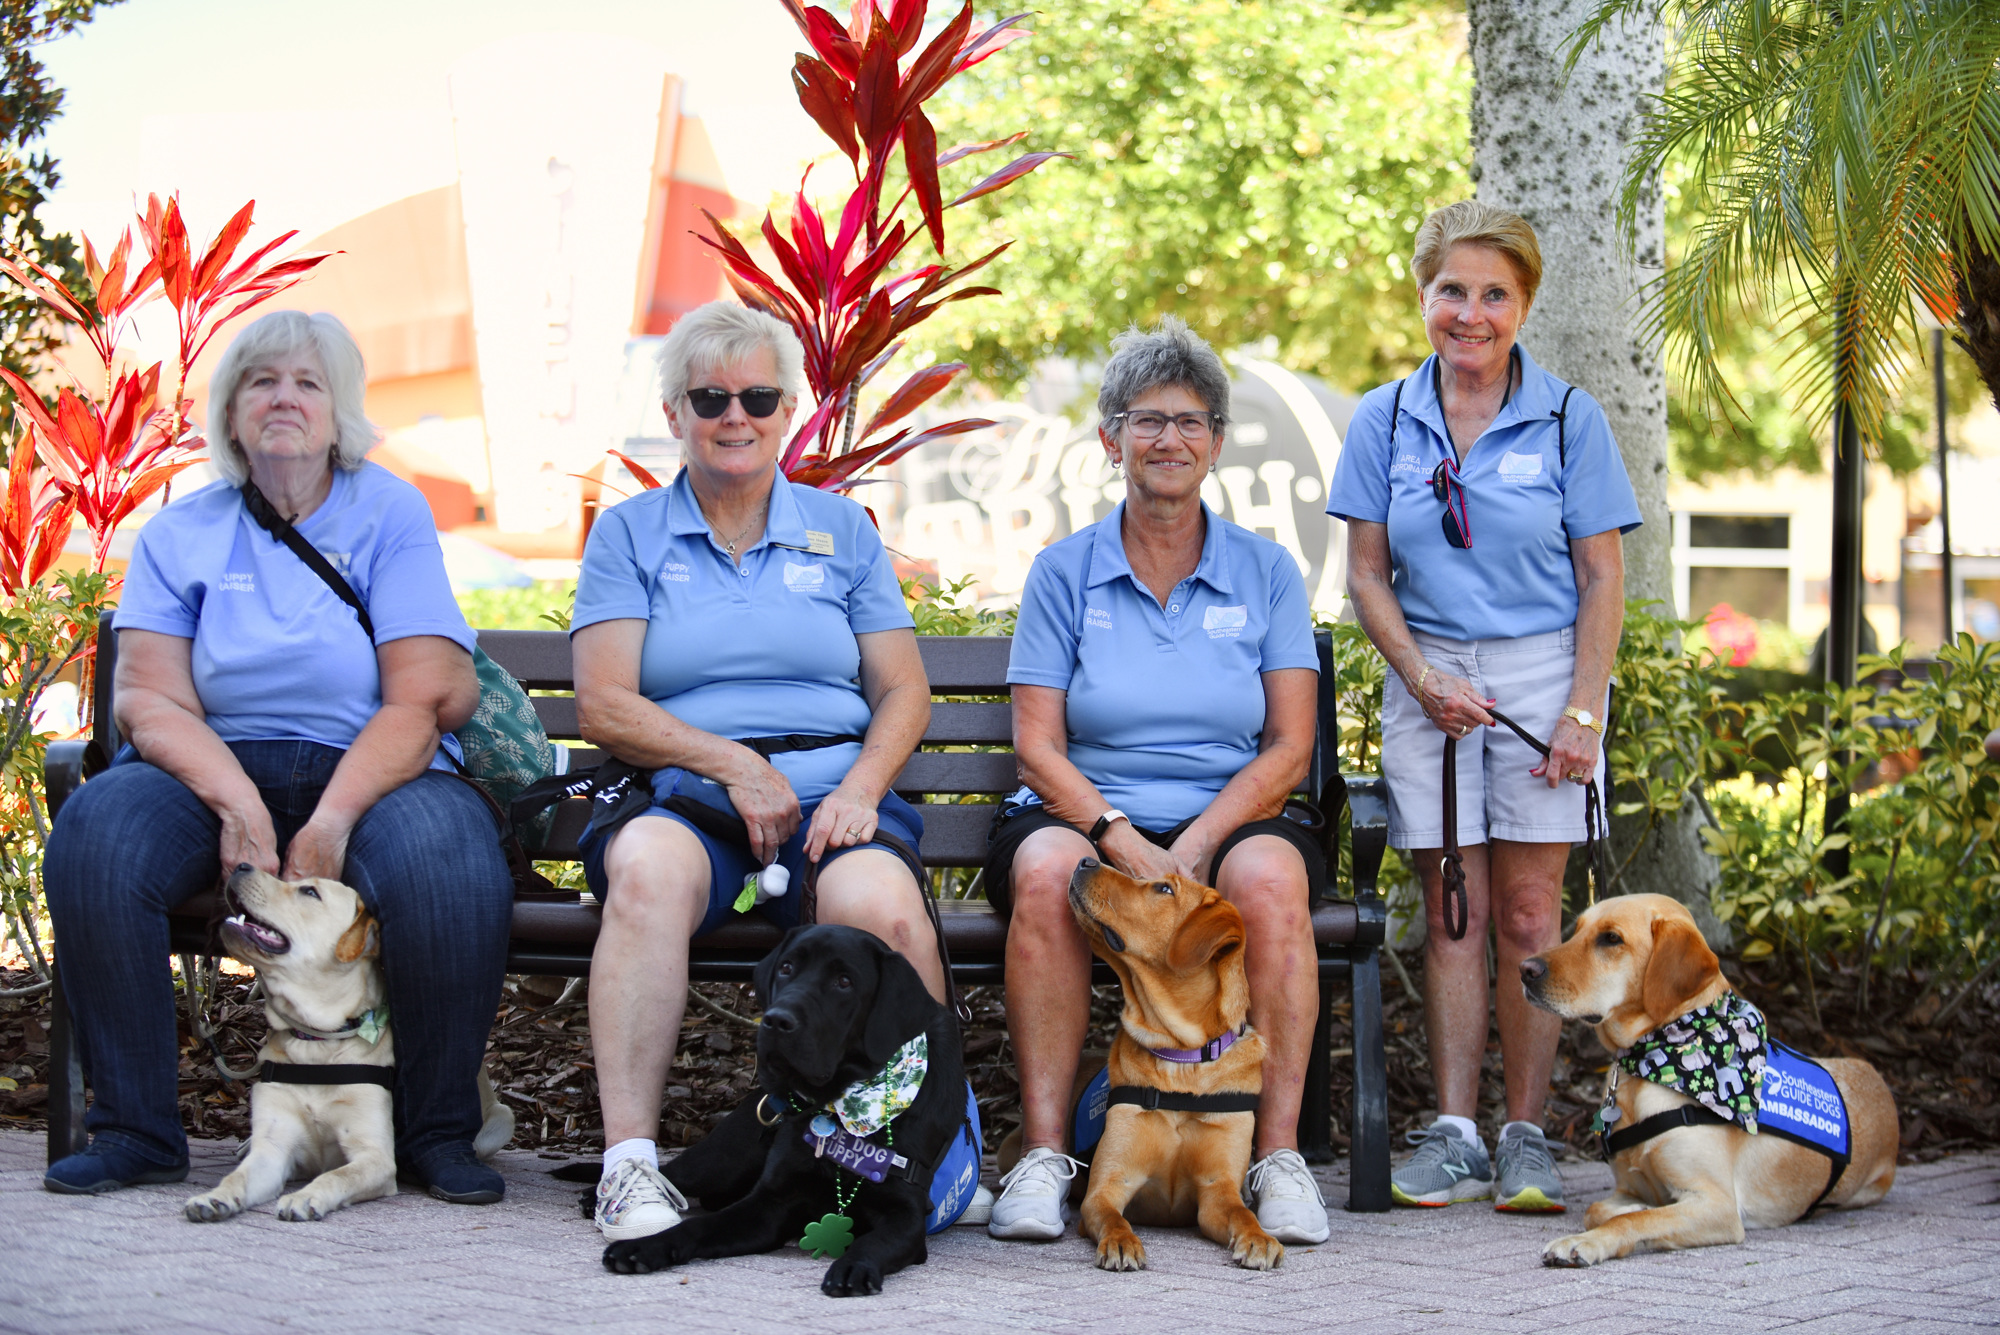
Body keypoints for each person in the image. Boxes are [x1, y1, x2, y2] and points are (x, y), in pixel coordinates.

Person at [42, 310, 515, 1202]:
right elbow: (147, 698)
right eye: (262, 382)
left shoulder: (390, 510)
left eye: (307, 383)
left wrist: (333, 815)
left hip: (370, 767)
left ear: (341, 414)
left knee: (449, 863)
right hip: (213, 765)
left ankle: (436, 1132)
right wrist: (238, 803)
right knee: (96, 836)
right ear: (229, 413)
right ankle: (136, 1129)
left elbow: (421, 697)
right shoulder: (181, 532)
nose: (284, 399)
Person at [571, 300, 947, 1242]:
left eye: (757, 396)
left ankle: (926, 1156)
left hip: (833, 796)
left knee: (885, 910)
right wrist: (733, 762)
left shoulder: (843, 530)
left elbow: (903, 690)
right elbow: (606, 702)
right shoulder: (631, 535)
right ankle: (630, 1167)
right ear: (674, 415)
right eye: (709, 397)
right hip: (693, 796)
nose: (734, 415)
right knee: (646, 874)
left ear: (789, 412)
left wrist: (861, 790)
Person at [982, 317, 1330, 1245]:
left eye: (1188, 421)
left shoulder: (1266, 572)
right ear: (1111, 439)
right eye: (1146, 421)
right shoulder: (1063, 573)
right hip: (1086, 813)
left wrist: (1202, 842)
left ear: (1215, 441)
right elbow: (1038, 748)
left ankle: (1276, 1156)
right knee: (1050, 876)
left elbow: (1290, 748)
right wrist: (1119, 838)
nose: (1168, 440)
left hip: (1232, 812)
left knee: (1271, 883)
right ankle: (1047, 1156)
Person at [1326, 199, 1641, 1213]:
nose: (1469, 313)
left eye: (1492, 293)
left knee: (1524, 912)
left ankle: (1525, 1137)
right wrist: (1421, 678)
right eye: (1449, 290)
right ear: (1422, 295)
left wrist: (1580, 711)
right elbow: (1366, 575)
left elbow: (1601, 578)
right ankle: (1455, 1130)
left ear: (1523, 304)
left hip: (1544, 670)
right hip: (1430, 674)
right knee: (1450, 910)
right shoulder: (1383, 417)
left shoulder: (1564, 417)